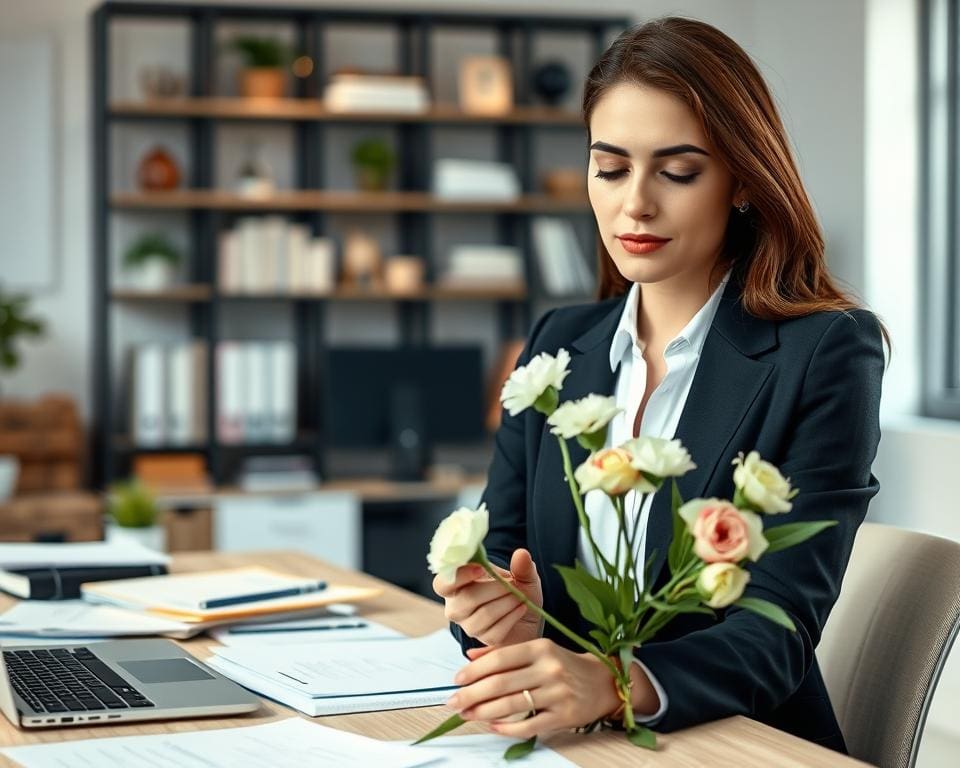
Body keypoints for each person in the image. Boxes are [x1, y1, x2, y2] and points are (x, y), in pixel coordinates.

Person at [431, 16, 888, 753]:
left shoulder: (826, 352)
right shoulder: (558, 345)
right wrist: (493, 609)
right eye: (610, 169)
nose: (634, 203)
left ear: (741, 179)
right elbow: (505, 553)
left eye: (677, 171)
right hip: (571, 743)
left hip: (738, 744)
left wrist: (617, 684)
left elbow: (776, 633)